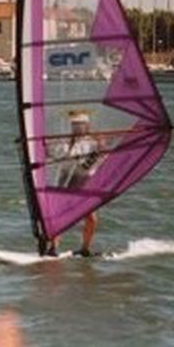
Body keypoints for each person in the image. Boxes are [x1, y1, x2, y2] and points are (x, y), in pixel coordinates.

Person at [46, 110, 102, 257]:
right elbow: (54, 156)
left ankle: (85, 248)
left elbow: (91, 164)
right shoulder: (64, 142)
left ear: (87, 126)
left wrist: (97, 151)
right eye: (74, 125)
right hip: (66, 180)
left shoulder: (93, 143)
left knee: (91, 218)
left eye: (80, 125)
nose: (77, 128)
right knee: (58, 215)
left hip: (84, 182)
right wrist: (45, 149)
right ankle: (53, 247)